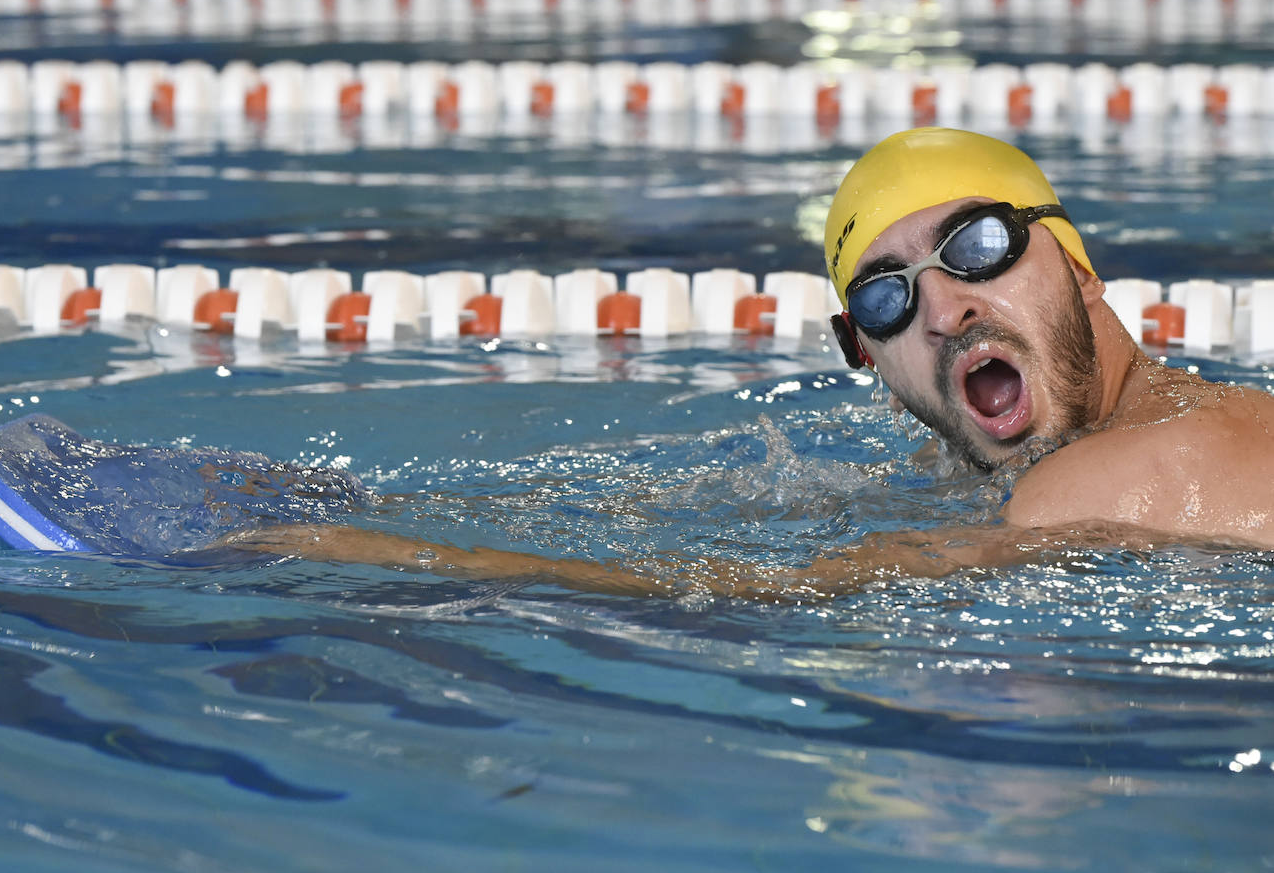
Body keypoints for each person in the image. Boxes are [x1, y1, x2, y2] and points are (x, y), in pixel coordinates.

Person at [232, 127, 1274, 599]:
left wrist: (376, 549)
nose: (946, 307)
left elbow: (770, 593)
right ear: (868, 357)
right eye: (887, 295)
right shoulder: (1156, 436)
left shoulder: (1106, 477)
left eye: (980, 245)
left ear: (1081, 269)